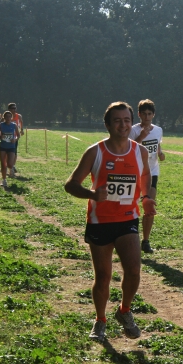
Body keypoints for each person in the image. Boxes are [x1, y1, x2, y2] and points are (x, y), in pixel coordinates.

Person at [64, 101, 156, 342]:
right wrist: (92, 194)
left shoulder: (140, 151)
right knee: (103, 276)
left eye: (126, 120)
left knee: (134, 272)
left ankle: (124, 311)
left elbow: (145, 174)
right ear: (107, 125)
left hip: (128, 219)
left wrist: (146, 198)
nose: (123, 125)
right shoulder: (95, 152)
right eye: (117, 120)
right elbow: (70, 184)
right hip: (100, 221)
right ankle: (100, 320)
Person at [128, 99, 165, 254]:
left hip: (152, 171)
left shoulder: (158, 130)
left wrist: (160, 152)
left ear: (153, 115)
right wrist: (141, 137)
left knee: (149, 205)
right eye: (144, 114)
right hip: (135, 172)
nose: (147, 117)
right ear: (139, 114)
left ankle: (146, 241)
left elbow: (157, 144)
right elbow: (129, 149)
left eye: (150, 114)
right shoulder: (133, 130)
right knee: (132, 205)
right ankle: (130, 238)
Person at [0, 111, 18, 187]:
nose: (8, 118)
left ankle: (11, 169)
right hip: (3, 147)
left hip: (11, 146)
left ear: (11, 118)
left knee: (10, 164)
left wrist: (15, 139)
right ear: (4, 118)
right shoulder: (0, 125)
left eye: (9, 117)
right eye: (6, 117)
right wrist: (0, 137)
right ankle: (4, 180)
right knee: (3, 164)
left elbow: (18, 135)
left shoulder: (14, 125)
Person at [7, 103, 24, 176]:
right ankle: (9, 166)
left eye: (15, 108)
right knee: (8, 153)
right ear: (9, 109)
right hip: (7, 137)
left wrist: (22, 130)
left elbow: (21, 122)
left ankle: (13, 166)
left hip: (15, 137)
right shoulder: (6, 116)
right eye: (12, 108)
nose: (14, 110)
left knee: (14, 152)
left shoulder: (18, 116)